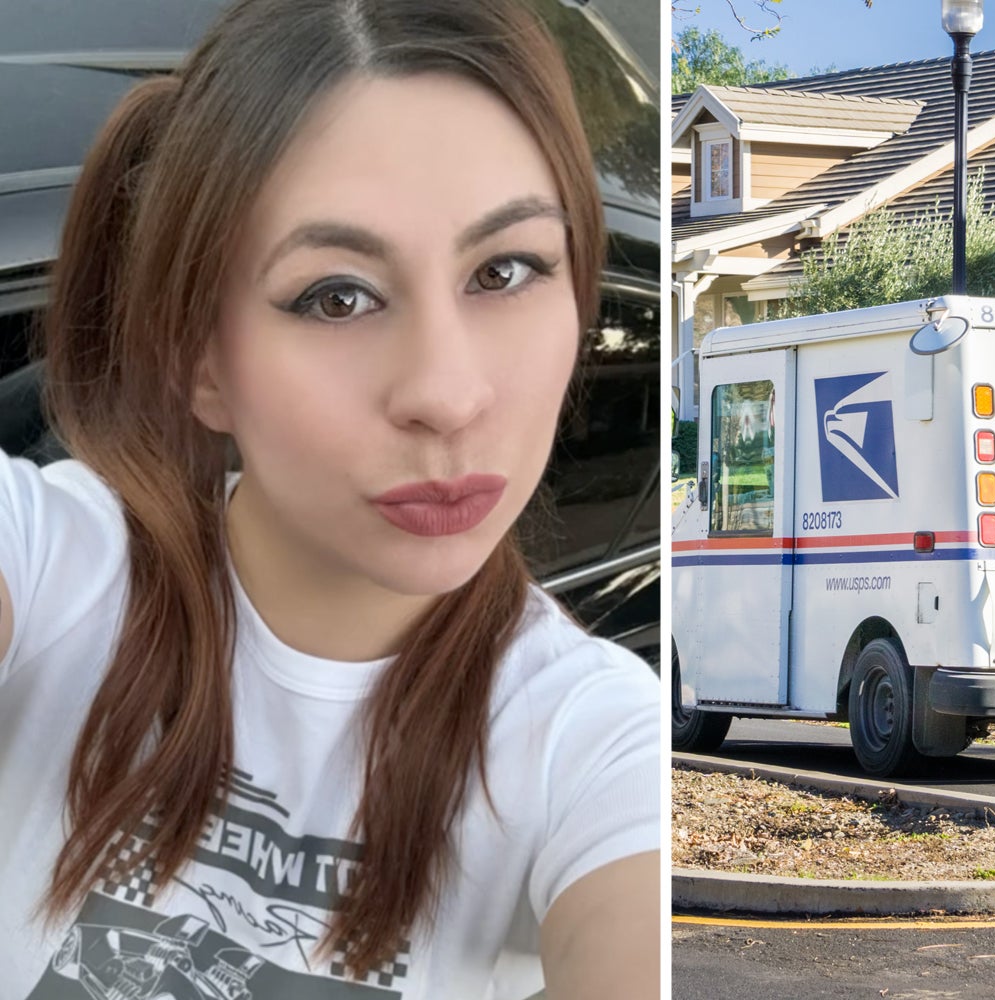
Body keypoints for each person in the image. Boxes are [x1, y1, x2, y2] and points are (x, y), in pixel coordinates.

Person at [0, 1, 660, 997]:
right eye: (336, 295)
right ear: (200, 359)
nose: (446, 392)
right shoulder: (57, 565)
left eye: (506, 270)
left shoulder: (592, 737)